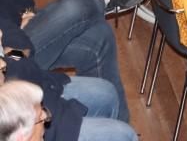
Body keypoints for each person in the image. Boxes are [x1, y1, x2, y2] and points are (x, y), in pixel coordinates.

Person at [0, 0, 145, 124]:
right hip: (10, 69)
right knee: (75, 5)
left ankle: (118, 125)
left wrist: (26, 10)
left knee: (99, 37)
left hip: (15, 34)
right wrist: (15, 54)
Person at [1, 32, 138, 141]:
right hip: (37, 93)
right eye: (40, 117)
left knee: (107, 94)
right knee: (124, 135)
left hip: (40, 86)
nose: (45, 115)